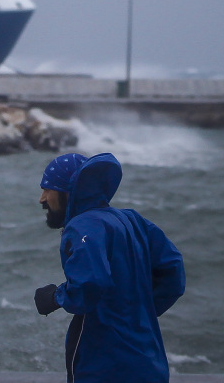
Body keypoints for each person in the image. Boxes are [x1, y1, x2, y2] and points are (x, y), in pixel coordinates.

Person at [34, 152, 185, 383]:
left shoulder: (81, 226)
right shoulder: (132, 219)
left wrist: (55, 297)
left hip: (104, 365)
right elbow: (173, 271)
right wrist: (135, 313)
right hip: (148, 359)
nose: (42, 199)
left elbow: (89, 283)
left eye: (48, 189)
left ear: (67, 191)